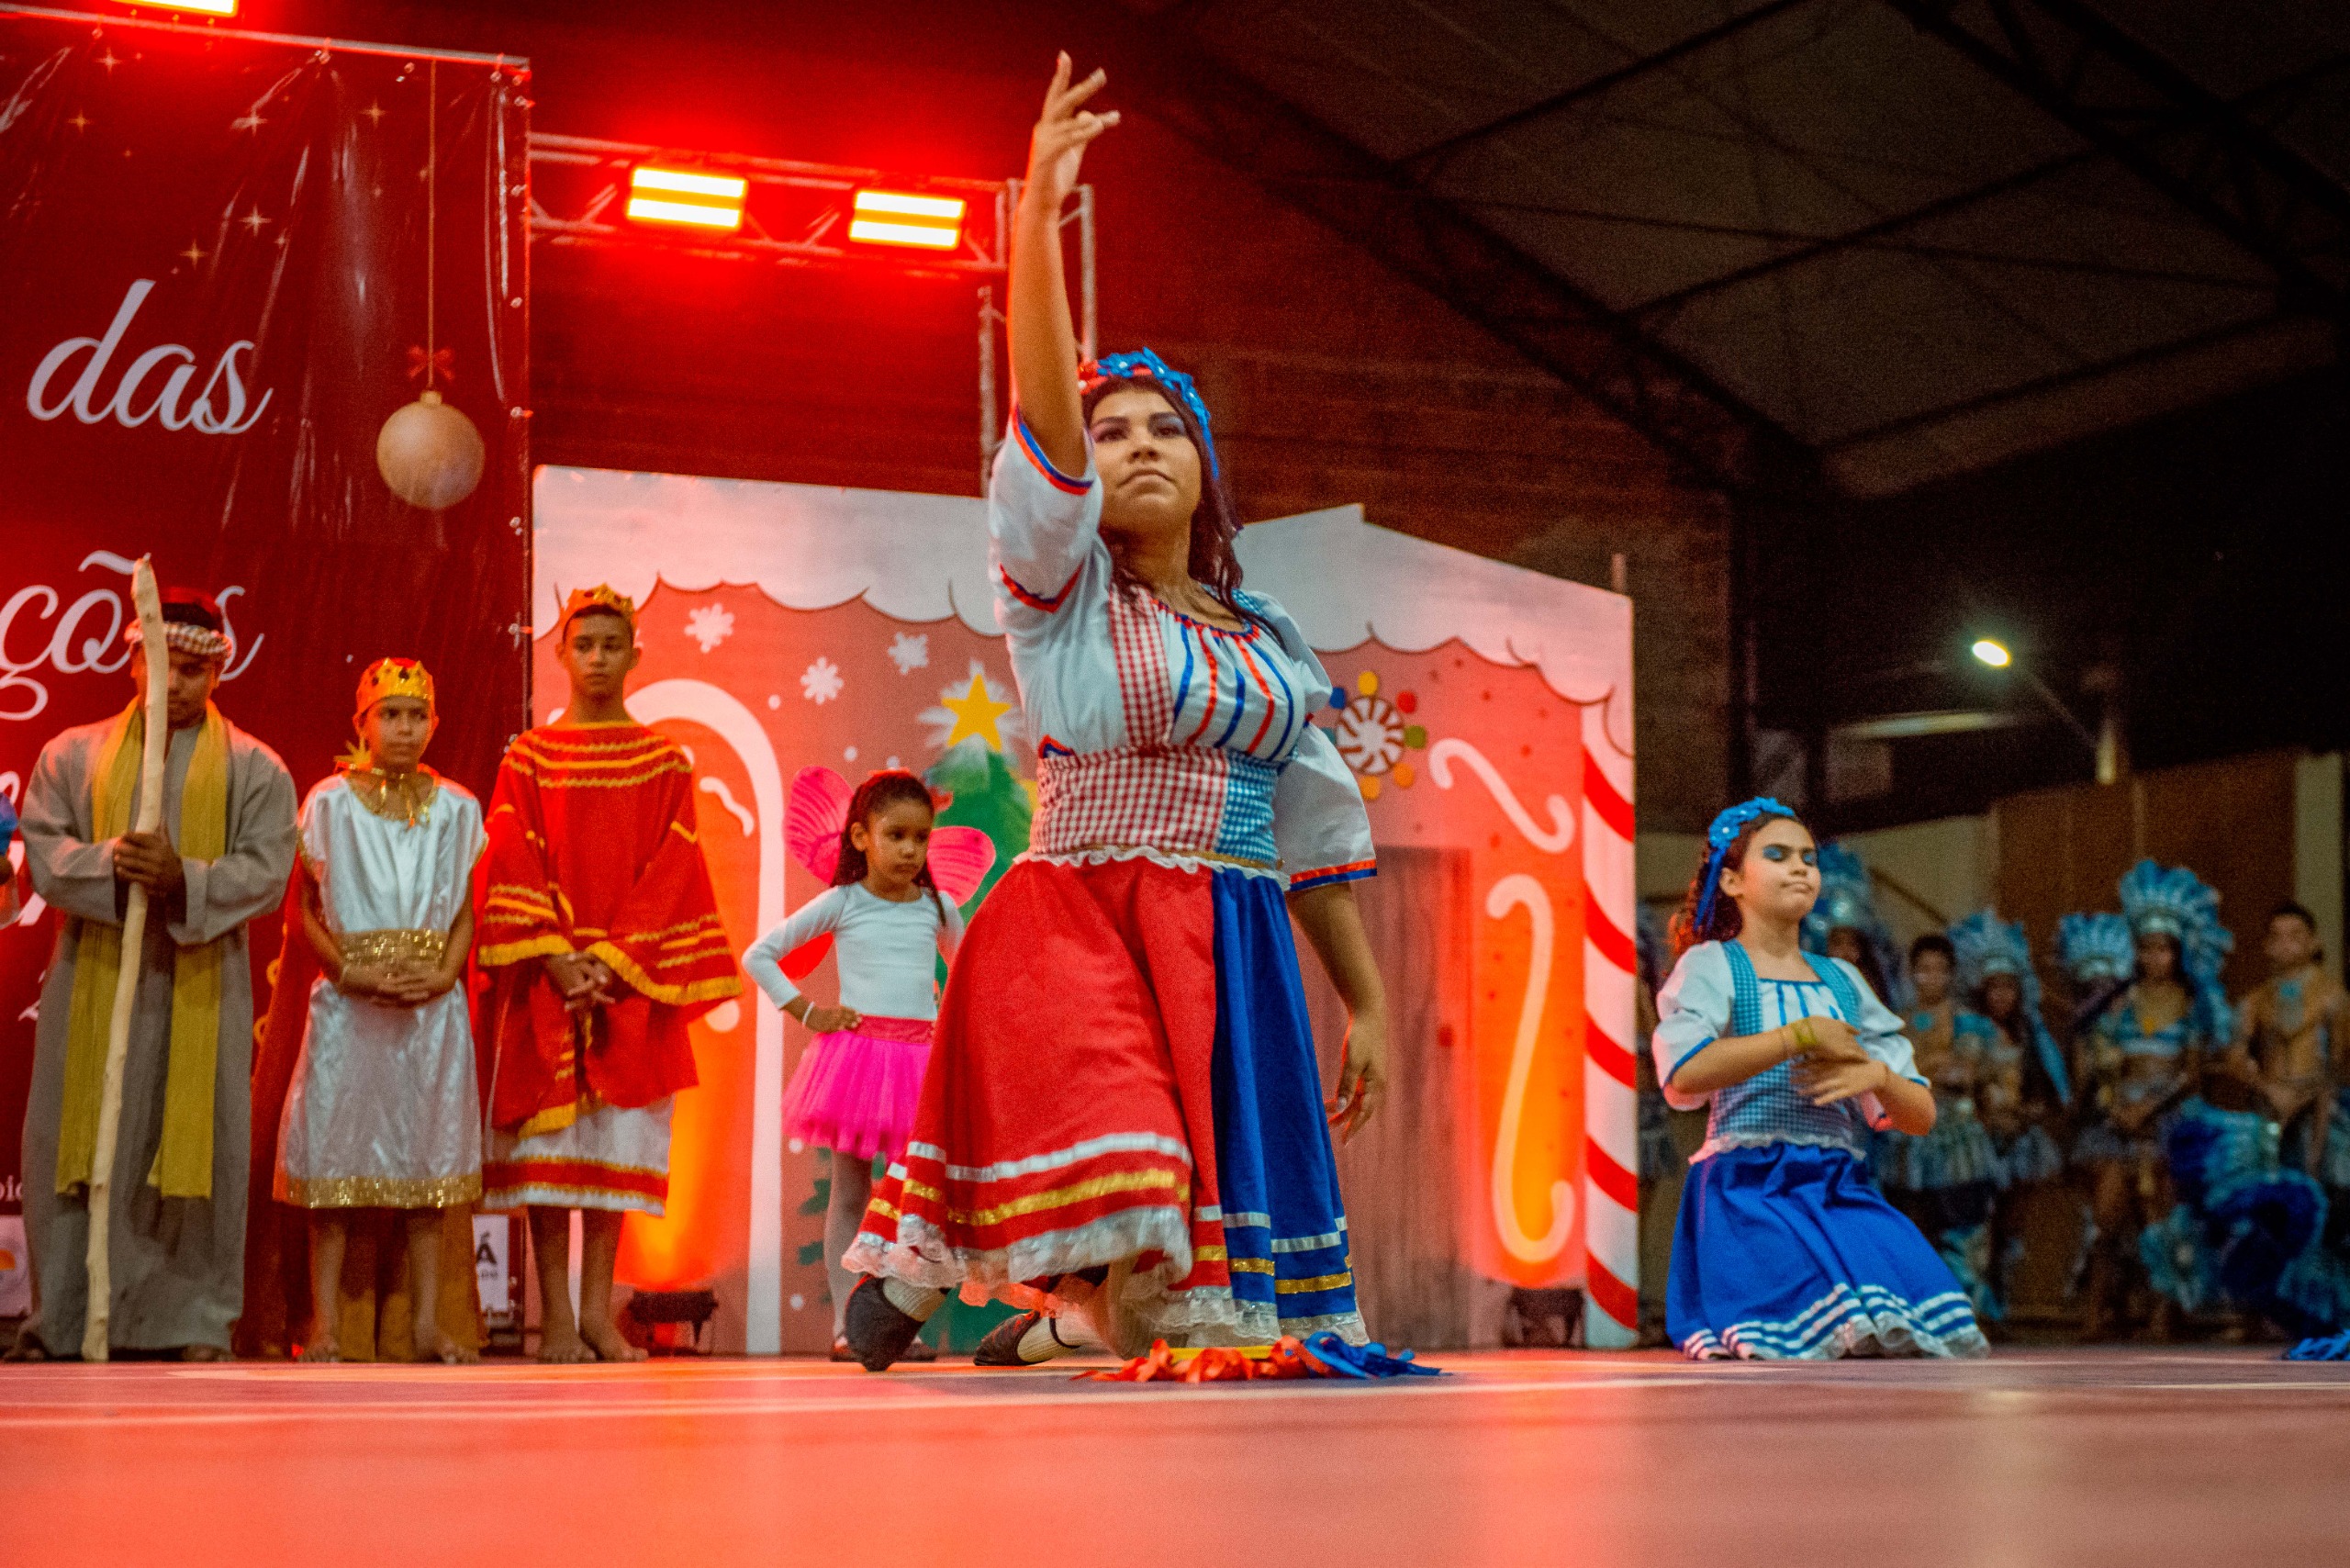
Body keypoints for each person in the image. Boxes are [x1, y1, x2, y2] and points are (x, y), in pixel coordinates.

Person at [841, 55, 1390, 1372]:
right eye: (1114, 430)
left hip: (1234, 938)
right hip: (1082, 917)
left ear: (1207, 471)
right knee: (1142, 1163)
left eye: (1168, 428)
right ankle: (941, 1278)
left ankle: (1059, 1319)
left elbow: (1316, 833)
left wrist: (1366, 1006)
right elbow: (1043, 416)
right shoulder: (1062, 591)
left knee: (1217, 1304)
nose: (1139, 442)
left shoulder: (1269, 642)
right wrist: (1035, 217)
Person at [9, 589, 297, 1361]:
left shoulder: (256, 768)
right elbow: (45, 853)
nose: (180, 682)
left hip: (201, 986)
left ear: (219, 674)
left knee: (199, 1148)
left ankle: (193, 1322)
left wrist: (185, 879)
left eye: (196, 670)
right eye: (165, 664)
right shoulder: (72, 755)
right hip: (90, 978)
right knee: (70, 1145)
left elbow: (268, 871)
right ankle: (64, 1321)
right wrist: (113, 864)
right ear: (134, 662)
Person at [473, 587, 743, 1363]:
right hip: (547, 978)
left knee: (611, 1156)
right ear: (561, 653)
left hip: (627, 983)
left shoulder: (663, 760)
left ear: (634, 655)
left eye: (611, 646)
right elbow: (509, 850)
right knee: (547, 1163)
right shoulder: (529, 757)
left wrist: (615, 959)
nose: (596, 659)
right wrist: (556, 956)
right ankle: (556, 1316)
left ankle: (596, 1311)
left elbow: (674, 864)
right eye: (583, 645)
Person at [1654, 797, 1986, 1360]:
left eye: (1808, 858)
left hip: (1835, 1186)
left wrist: (1876, 1075)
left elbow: (1920, 1116)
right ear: (1731, 881)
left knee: (1913, 1310)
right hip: (1748, 1189)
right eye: (1778, 855)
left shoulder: (1843, 981)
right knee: (1806, 1319)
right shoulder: (1714, 965)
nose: (1801, 869)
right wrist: (1800, 1035)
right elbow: (1683, 1076)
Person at [274, 660, 484, 1363]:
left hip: (430, 1004)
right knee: (335, 1165)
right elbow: (302, 910)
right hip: (349, 1004)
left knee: (427, 1169)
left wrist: (446, 973)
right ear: (361, 723)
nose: (404, 728)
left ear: (435, 723)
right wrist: (349, 971)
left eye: (416, 715)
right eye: (389, 715)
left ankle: (425, 1325)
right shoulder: (328, 803)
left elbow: (465, 911)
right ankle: (325, 1324)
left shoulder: (457, 807)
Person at [742, 770, 970, 1360]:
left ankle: (894, 1325)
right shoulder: (843, 902)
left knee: (913, 1202)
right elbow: (759, 954)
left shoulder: (937, 907)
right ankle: (849, 1327)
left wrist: (950, 1026)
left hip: (920, 1066)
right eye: (896, 835)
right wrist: (808, 1011)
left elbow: (968, 972)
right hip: (858, 1063)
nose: (910, 850)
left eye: (920, 837)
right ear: (861, 836)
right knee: (850, 1193)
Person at [2069, 860, 2231, 1339]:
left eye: (2163, 948)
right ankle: (2095, 1311)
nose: (2154, 956)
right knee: (2106, 1218)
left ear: (2178, 951)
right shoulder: (2119, 1003)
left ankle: (2164, 1314)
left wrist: (2150, 1108)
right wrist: (2116, 1102)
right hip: (2120, 1121)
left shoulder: (2192, 1003)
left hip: (2169, 1121)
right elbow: (2103, 1066)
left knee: (2163, 1221)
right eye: (2145, 947)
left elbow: (2193, 1074)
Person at [1949, 912, 2073, 1312]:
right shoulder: (1969, 1030)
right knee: (1978, 1222)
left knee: (2010, 1223)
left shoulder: (2031, 1037)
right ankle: (1974, 1301)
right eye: (1994, 987)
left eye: (2009, 987)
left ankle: (2000, 1299)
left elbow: (2047, 1093)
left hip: (2020, 1141)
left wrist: (2028, 1113)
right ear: (1981, 990)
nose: (2002, 995)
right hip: (1979, 1139)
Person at [1876, 931, 2003, 1320]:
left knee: (1963, 1227)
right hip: (1905, 1143)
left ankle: (1966, 1314)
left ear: (1952, 974)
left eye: (1940, 969)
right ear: (1911, 973)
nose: (1931, 977)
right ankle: (1915, 1314)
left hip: (1958, 1143)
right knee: (1908, 1227)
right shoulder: (1893, 1025)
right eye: (1923, 969)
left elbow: (1970, 1073)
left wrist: (1922, 1071)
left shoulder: (1973, 1024)